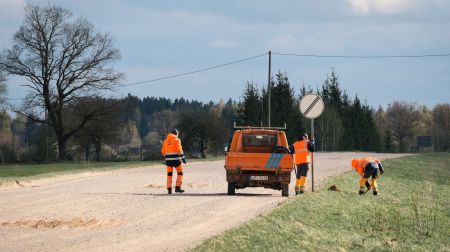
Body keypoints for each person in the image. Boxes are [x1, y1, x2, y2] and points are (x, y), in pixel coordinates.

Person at [161, 129, 187, 194]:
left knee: (169, 174)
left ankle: (169, 189)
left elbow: (163, 151)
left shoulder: (165, 141)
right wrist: (183, 158)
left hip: (168, 161)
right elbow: (179, 150)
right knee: (180, 173)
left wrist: (166, 157)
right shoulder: (177, 140)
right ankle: (177, 188)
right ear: (176, 134)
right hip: (176, 160)